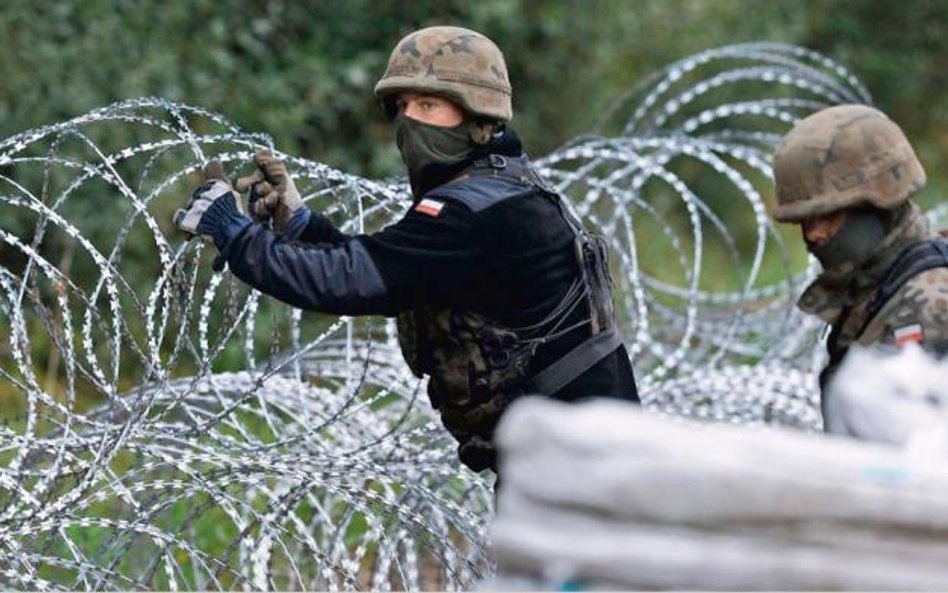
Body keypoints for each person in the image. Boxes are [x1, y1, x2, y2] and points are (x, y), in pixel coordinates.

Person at [174, 26, 639, 475]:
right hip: (577, 457)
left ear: (479, 114)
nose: (410, 120)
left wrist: (231, 227)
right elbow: (393, 270)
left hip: (580, 472)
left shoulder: (475, 212)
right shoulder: (502, 189)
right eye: (402, 106)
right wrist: (299, 223)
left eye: (429, 104)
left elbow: (349, 281)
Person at [771, 103, 948, 424]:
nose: (814, 234)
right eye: (803, 221)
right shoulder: (878, 285)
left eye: (829, 215)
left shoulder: (927, 304)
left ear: (880, 203)